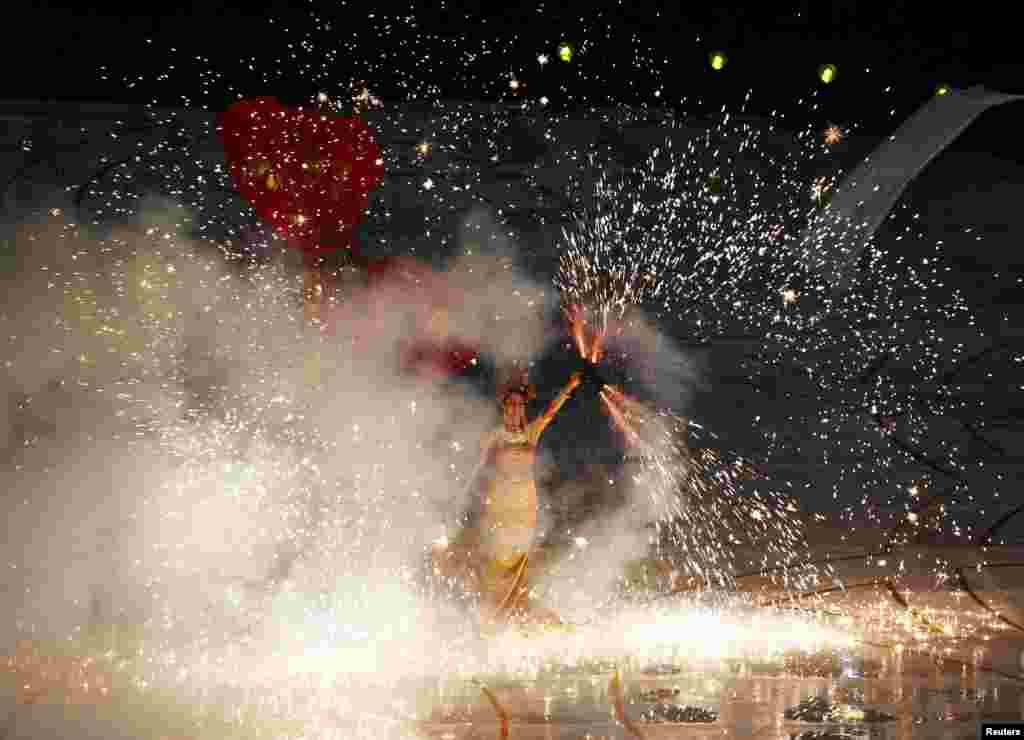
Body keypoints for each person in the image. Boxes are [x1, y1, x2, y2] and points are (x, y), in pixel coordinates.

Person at [475, 366, 582, 626]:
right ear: (504, 408)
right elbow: (477, 466)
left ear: (523, 407)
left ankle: (518, 612)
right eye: (511, 404)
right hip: (501, 501)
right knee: (499, 560)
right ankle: (493, 614)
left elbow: (551, 412)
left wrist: (570, 386)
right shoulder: (495, 436)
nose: (515, 409)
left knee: (521, 560)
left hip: (525, 503)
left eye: (520, 404)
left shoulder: (530, 433)